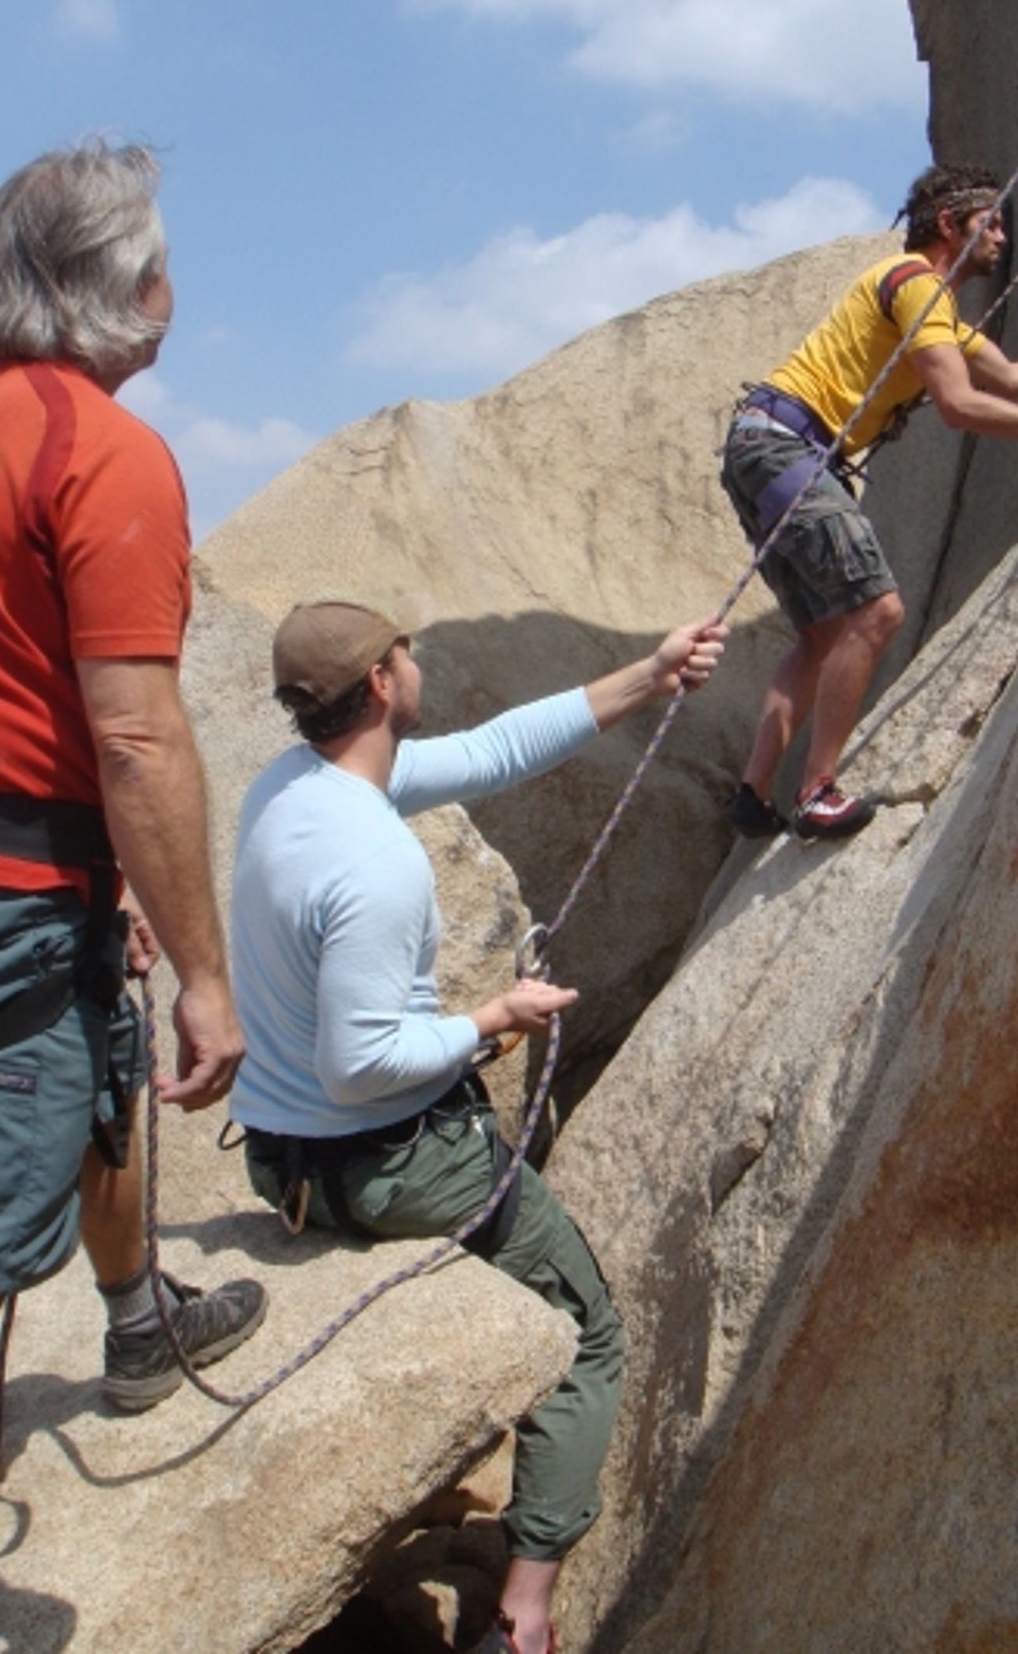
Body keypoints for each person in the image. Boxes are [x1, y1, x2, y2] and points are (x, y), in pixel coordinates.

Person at [230, 598, 725, 1654]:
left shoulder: (290, 789)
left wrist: (650, 673)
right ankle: (526, 1605)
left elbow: (492, 750)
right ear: (377, 685)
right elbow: (359, 1064)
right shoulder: (376, 861)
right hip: (391, 1162)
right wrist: (492, 1019)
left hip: (286, 1163)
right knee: (588, 1335)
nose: (415, 662)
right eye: (401, 653)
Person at [0, 144, 267, 1645]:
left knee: (87, 1076)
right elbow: (135, 728)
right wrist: (207, 968)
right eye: (164, 260)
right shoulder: (104, 450)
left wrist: (99, 879)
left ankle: (138, 1323)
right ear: (128, 285)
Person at [721, 162, 1018, 840]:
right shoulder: (916, 283)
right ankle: (817, 791)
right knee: (876, 609)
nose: (1002, 236)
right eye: (990, 221)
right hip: (787, 448)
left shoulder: (928, 307)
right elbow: (960, 404)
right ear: (951, 224)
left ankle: (751, 792)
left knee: (823, 634)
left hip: (764, 448)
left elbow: (1012, 374)